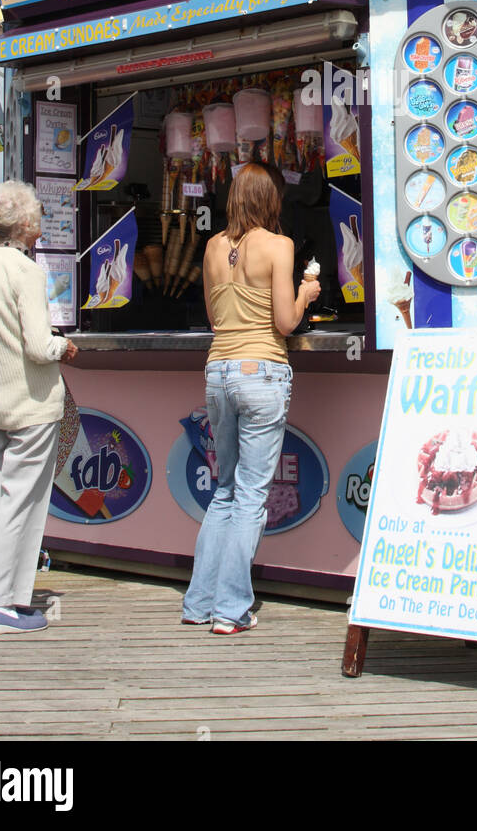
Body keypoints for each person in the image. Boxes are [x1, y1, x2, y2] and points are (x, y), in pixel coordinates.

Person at [182, 162, 320, 634]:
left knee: (223, 490)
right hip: (261, 370)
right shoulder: (279, 245)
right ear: (270, 200)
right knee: (251, 497)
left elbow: (215, 318)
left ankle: (198, 602)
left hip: (218, 371)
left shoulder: (213, 247)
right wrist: (306, 293)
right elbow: (285, 323)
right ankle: (231, 610)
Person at [0, 181, 78, 635]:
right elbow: (39, 345)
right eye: (38, 214)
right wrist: (66, 347)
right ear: (24, 225)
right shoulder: (26, 272)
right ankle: (2, 605)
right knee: (20, 503)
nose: (41, 220)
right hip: (29, 404)